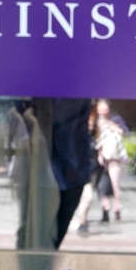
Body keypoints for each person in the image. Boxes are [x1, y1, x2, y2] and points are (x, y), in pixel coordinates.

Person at [50, 99, 94, 248]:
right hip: (64, 170)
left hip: (71, 171)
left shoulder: (79, 96)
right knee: (48, 237)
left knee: (51, 238)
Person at [95, 100, 128, 224]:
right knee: (102, 186)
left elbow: (122, 131)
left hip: (114, 157)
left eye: (104, 110)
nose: (102, 112)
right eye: (100, 110)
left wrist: (108, 123)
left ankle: (117, 209)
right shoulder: (95, 121)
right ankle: (105, 211)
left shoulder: (115, 119)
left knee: (114, 185)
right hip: (101, 158)